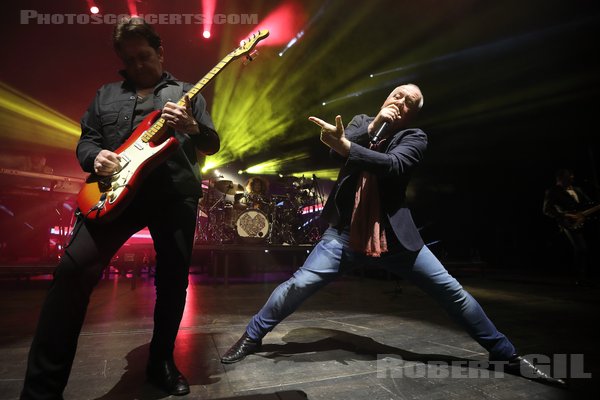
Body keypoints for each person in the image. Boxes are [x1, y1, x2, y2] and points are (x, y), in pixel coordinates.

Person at [220, 84, 564, 387]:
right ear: (387, 97)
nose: (400, 101)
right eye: (397, 94)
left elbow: (393, 166)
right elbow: (335, 151)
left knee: (453, 294)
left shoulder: (413, 137)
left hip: (396, 241)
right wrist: (364, 130)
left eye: (409, 101)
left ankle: (506, 355)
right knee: (297, 286)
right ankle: (252, 337)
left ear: (411, 113)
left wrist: (347, 147)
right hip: (342, 236)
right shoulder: (358, 123)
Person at [21, 17, 219, 398]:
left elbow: (212, 144)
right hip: (114, 196)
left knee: (173, 281)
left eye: (144, 56)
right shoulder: (106, 95)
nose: (138, 65)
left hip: (173, 196)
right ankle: (41, 390)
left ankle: (161, 361)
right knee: (72, 273)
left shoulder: (187, 93)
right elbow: (86, 142)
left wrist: (193, 126)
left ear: (160, 52)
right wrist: (95, 158)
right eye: (129, 60)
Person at [543, 168, 597, 285]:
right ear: (560, 178)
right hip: (567, 223)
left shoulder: (578, 190)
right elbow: (547, 210)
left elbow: (588, 204)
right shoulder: (553, 191)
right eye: (568, 175)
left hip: (583, 221)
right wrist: (565, 215)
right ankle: (580, 277)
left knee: (587, 247)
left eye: (572, 175)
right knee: (581, 248)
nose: (572, 177)